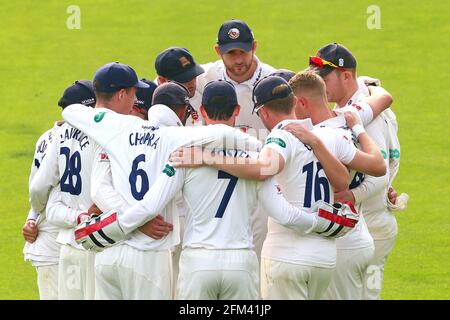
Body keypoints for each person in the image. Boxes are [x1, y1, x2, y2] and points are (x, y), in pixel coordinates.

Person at [74, 80, 357, 300]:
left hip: (198, 261)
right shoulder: (256, 154)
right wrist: (325, 224)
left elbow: (150, 206)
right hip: (241, 263)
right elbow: (284, 214)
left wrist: (109, 230)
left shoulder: (185, 154)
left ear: (204, 112)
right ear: (237, 111)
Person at [172, 76, 386, 299]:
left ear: (263, 112)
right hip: (324, 258)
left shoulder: (279, 138)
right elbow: (343, 181)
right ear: (294, 102)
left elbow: (264, 168)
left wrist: (208, 157)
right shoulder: (327, 136)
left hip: (287, 254)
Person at [61, 79, 263, 299]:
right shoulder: (177, 139)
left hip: (109, 254)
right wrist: (263, 147)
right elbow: (224, 134)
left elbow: (71, 113)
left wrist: (108, 116)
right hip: (148, 253)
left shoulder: (116, 130)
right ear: (181, 112)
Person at [29, 63, 148, 299]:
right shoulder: (115, 130)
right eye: (134, 94)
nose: (135, 101)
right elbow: (105, 190)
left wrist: (37, 214)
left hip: (69, 246)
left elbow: (39, 185)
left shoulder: (64, 129)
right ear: (122, 94)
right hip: (101, 243)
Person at [309, 43, 406, 299]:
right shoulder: (363, 103)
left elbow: (380, 174)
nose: (320, 85)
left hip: (372, 223)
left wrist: (350, 196)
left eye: (325, 78)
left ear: (346, 75)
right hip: (374, 217)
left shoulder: (363, 114)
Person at [288, 69, 391, 299]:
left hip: (342, 243)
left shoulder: (323, 137)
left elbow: (377, 169)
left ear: (301, 102)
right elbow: (384, 98)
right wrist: (359, 125)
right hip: (355, 233)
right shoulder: (349, 116)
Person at [191, 19, 277, 262]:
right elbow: (162, 88)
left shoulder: (275, 81)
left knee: (258, 257)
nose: (238, 60)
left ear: (255, 47)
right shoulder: (201, 79)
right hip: (212, 182)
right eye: (231, 53)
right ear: (218, 51)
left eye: (243, 52)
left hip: (261, 183)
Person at [23, 80, 96, 299]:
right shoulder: (71, 139)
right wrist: (34, 216)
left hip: (56, 237)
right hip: (54, 239)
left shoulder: (46, 137)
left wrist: (33, 215)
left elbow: (37, 188)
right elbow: (39, 187)